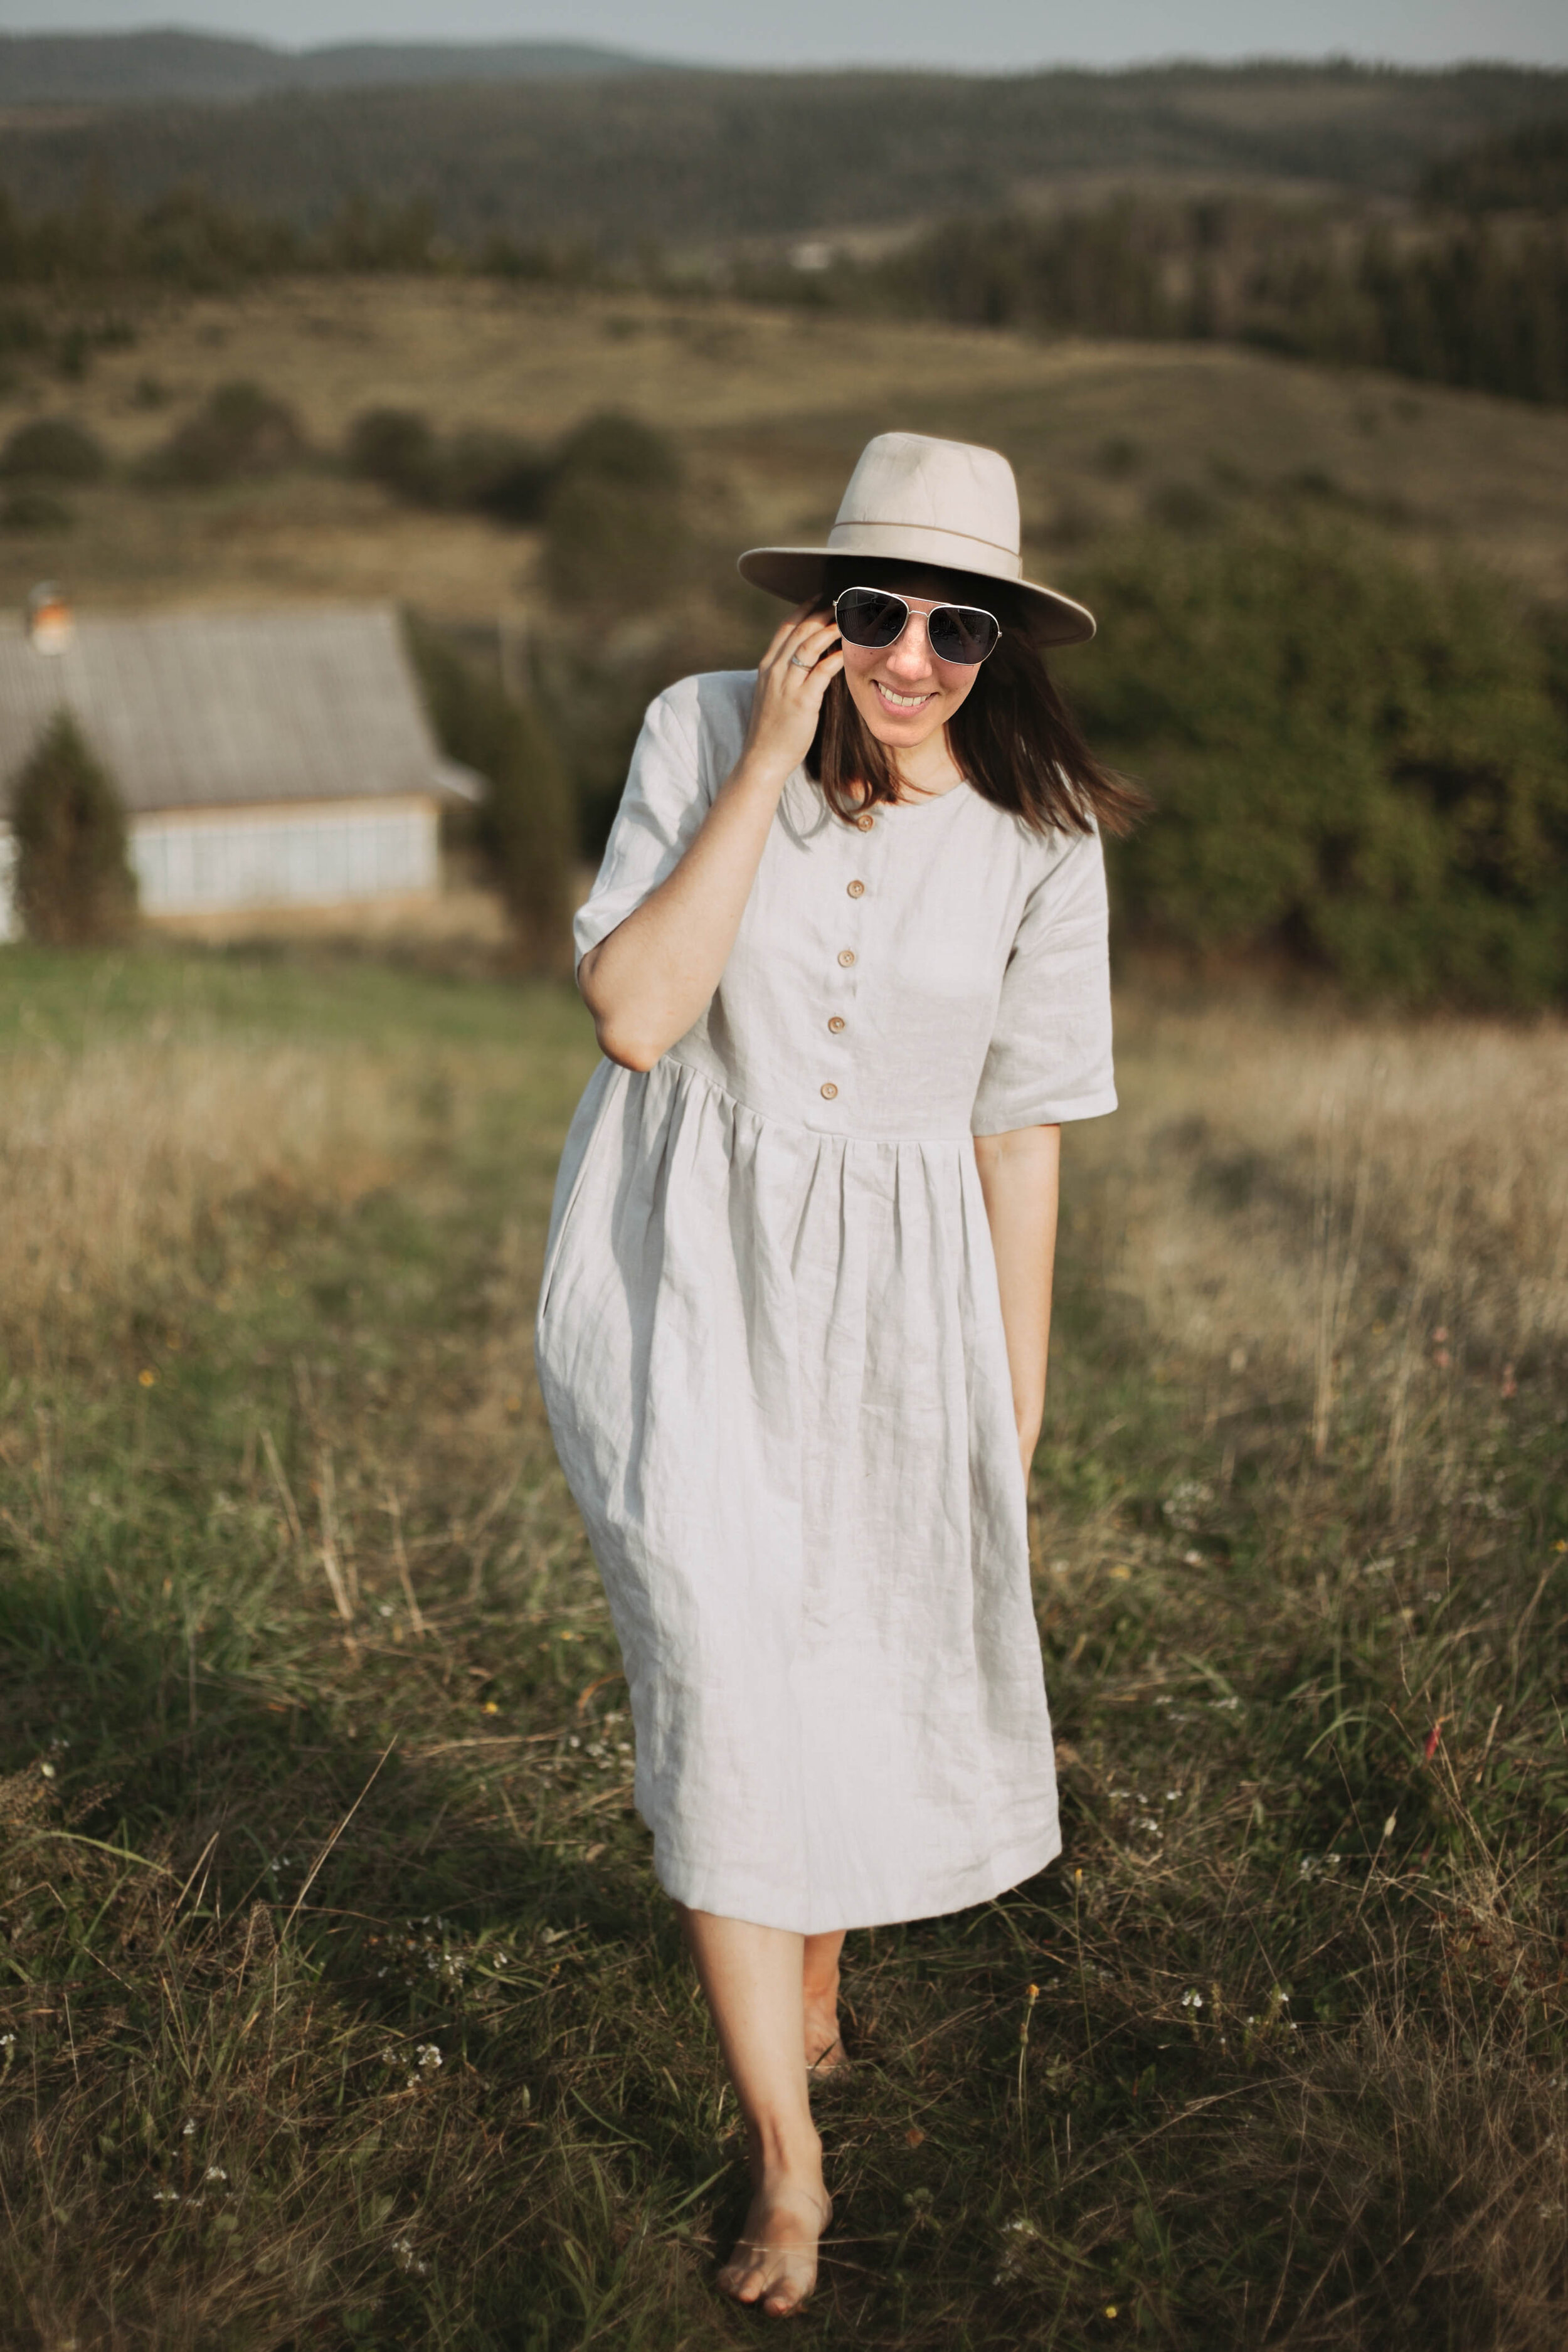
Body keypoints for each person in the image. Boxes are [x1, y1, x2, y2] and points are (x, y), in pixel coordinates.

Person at [534, 432, 1144, 2318]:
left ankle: (810, 1972)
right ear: (814, 610)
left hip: (903, 1293)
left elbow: (1023, 1134)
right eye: (871, 610)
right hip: (685, 1269)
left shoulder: (1041, 840)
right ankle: (788, 2164)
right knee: (727, 1665)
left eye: (954, 628)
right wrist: (754, 775)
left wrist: (1011, 1406)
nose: (906, 657)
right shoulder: (695, 724)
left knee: (857, 1646)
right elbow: (638, 1014)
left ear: (1003, 647)